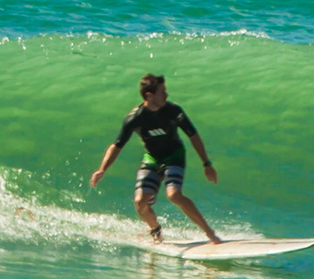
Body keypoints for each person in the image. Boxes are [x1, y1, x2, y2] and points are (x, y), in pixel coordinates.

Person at [89, 73, 221, 244]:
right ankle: (155, 231)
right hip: (152, 159)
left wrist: (206, 163)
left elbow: (193, 135)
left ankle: (210, 233)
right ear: (149, 96)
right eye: (162, 92)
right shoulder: (135, 118)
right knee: (140, 202)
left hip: (174, 156)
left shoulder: (174, 112)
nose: (167, 95)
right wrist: (102, 169)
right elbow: (117, 145)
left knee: (173, 194)